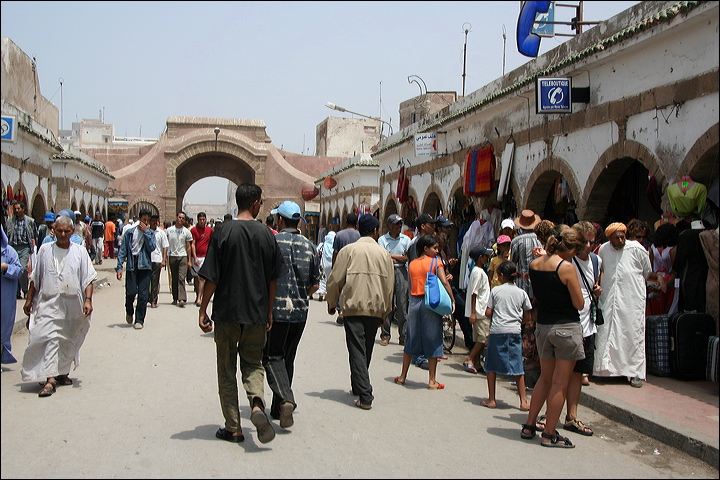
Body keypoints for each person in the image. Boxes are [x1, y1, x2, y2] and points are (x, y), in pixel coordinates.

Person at [198, 182, 287, 444]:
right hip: (256, 313)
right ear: (256, 203)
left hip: (227, 313)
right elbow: (273, 279)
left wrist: (203, 309)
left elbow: (211, 276)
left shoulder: (222, 231)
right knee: (252, 364)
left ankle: (233, 428)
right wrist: (269, 311)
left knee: (226, 370)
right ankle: (257, 405)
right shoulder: (267, 234)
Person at [522, 225, 585, 448]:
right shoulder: (566, 267)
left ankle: (529, 425)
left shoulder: (535, 264)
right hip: (566, 327)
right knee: (560, 383)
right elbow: (579, 303)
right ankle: (549, 433)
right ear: (570, 249)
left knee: (545, 379)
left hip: (543, 326)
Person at [21, 215, 97, 397]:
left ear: (72, 232)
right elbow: (35, 278)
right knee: (48, 336)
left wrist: (88, 300)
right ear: (53, 230)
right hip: (48, 302)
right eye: (59, 230)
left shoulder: (79, 251)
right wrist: (29, 299)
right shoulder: (45, 250)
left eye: (66, 231)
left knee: (67, 338)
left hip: (72, 304)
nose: (63, 234)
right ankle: (50, 379)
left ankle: (62, 372)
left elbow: (88, 278)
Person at [326, 213, 394, 409]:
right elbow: (389, 286)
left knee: (356, 349)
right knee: (366, 350)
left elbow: (335, 278)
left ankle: (365, 394)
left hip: (353, 307)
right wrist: (385, 312)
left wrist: (332, 302)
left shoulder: (348, 251)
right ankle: (358, 385)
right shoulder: (384, 254)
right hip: (375, 308)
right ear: (374, 231)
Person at [263, 201, 320, 428]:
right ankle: (278, 408)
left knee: (271, 356)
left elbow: (266, 277)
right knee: (288, 357)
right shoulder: (310, 246)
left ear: (281, 220)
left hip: (275, 311)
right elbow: (316, 284)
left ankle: (286, 399)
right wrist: (301, 295)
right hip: (299, 312)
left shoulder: (273, 242)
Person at [595, 222, 665, 388]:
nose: (620, 240)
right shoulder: (604, 249)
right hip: (610, 298)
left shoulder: (637, 249)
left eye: (622, 236)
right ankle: (607, 371)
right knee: (608, 332)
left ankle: (634, 373)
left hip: (631, 299)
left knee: (632, 334)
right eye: (616, 237)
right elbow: (602, 269)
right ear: (609, 238)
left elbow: (646, 271)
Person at [394, 234, 454, 390]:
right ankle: (432, 380)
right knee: (433, 338)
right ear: (425, 248)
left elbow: (410, 286)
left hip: (414, 302)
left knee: (411, 339)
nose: (437, 251)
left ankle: (402, 376)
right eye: (434, 248)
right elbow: (444, 282)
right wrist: (452, 300)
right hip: (430, 304)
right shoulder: (436, 262)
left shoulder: (412, 264)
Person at [482, 260, 533, 410]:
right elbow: (528, 317)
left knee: (491, 365)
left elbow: (488, 312)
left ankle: (491, 399)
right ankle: (523, 401)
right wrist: (517, 321)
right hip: (514, 331)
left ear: (502, 276)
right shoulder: (521, 292)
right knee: (517, 366)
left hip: (497, 331)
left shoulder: (496, 291)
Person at [510, 209, 542, 374]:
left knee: (522, 323)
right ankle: (535, 355)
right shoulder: (540, 240)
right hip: (539, 287)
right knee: (535, 321)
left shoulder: (517, 241)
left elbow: (512, 263)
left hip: (523, 286)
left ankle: (524, 355)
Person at [404, 213, 437, 369]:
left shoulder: (427, 244)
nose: (433, 227)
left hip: (425, 290)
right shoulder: (416, 245)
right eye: (430, 224)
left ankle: (420, 354)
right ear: (423, 226)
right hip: (419, 291)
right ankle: (419, 355)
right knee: (419, 325)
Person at [115, 209, 156, 330]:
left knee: (143, 295)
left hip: (145, 266)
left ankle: (139, 320)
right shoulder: (130, 233)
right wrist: (119, 267)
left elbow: (152, 247)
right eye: (144, 220)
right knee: (131, 292)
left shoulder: (150, 233)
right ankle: (129, 310)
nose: (146, 223)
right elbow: (122, 250)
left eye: (148, 221)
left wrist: (147, 233)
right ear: (139, 219)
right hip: (132, 265)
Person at [378, 214, 411, 346]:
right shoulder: (382, 239)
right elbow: (383, 256)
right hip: (388, 271)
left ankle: (403, 336)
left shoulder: (406, 239)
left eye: (400, 223)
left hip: (402, 272)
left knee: (403, 305)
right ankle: (385, 335)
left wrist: (390, 255)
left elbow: (406, 258)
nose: (399, 226)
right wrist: (398, 257)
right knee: (387, 304)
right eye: (396, 224)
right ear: (390, 225)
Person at [462, 246, 494, 374]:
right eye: (486, 256)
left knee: (479, 337)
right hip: (480, 311)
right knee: (483, 338)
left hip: (479, 310)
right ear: (480, 258)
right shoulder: (478, 272)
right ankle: (469, 359)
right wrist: (474, 313)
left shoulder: (479, 271)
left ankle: (477, 362)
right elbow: (474, 293)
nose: (488, 258)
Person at [331, 212, 360, 324]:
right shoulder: (359, 235)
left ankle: (341, 311)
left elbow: (336, 252)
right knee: (352, 288)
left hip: (342, 265)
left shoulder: (339, 235)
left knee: (341, 288)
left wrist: (334, 267)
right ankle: (350, 310)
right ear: (356, 223)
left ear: (346, 221)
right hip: (355, 265)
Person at [5, 201, 37, 299]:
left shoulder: (30, 221)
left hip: (24, 247)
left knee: (22, 269)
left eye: (19, 209)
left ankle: (25, 290)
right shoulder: (10, 221)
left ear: (23, 209)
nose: (17, 210)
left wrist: (33, 247)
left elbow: (34, 234)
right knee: (14, 268)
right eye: (15, 209)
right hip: (13, 247)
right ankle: (16, 292)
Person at [2, 225, 23, 368]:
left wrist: (5, 267)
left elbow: (19, 270)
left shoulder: (9, 252)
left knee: (2, 330)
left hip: (5, 298)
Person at [166, 211, 193, 307]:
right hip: (172, 256)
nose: (181, 219)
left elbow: (189, 246)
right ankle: (175, 298)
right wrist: (164, 257)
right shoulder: (169, 230)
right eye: (179, 217)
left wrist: (189, 260)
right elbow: (165, 245)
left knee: (181, 278)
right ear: (176, 217)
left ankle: (182, 298)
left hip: (183, 256)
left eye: (183, 218)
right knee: (174, 278)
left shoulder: (187, 232)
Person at [190, 212, 213, 307]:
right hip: (196, 257)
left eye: (204, 219)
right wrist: (194, 257)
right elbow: (193, 244)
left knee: (201, 278)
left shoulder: (210, 230)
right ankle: (198, 295)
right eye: (200, 220)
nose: (202, 221)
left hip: (205, 257)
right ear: (197, 220)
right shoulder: (194, 230)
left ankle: (200, 298)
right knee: (196, 278)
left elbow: (212, 243)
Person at [148, 214, 169, 309]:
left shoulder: (161, 233)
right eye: (152, 220)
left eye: (155, 221)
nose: (154, 222)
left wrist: (164, 259)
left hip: (157, 259)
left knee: (155, 281)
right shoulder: (146, 232)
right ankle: (148, 298)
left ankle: (153, 300)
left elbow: (165, 246)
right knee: (146, 281)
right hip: (147, 260)